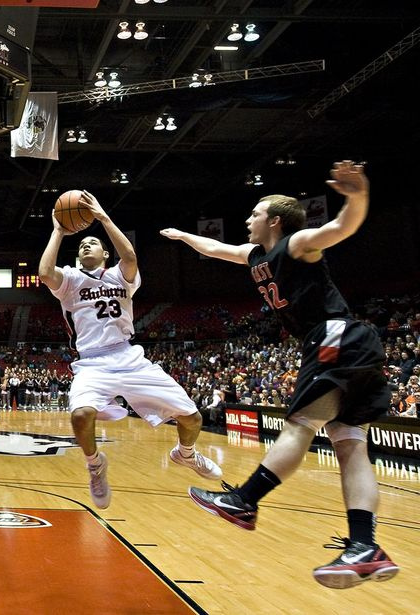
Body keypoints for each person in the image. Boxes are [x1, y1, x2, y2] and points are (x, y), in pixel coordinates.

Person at [160, 160, 400, 589]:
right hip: (352, 343)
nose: (248, 219)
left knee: (300, 425)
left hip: (333, 336)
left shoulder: (297, 244)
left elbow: (342, 228)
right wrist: (182, 237)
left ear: (273, 220)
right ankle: (366, 547)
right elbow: (215, 250)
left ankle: (244, 501)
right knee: (349, 444)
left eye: (255, 213)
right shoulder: (255, 255)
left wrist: (358, 195)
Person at [38, 190, 221, 510]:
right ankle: (95, 465)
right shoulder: (69, 280)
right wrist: (57, 231)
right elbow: (43, 273)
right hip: (92, 363)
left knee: (192, 417)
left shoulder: (121, 274)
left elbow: (131, 257)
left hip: (128, 356)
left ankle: (186, 454)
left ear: (106, 254)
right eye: (82, 244)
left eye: (92, 242)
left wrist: (102, 216)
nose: (85, 245)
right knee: (80, 415)